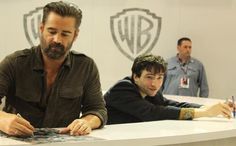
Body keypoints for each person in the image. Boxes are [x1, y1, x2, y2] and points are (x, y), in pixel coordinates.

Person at [0, 1, 107, 137]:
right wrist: (2, 119)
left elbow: (97, 109)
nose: (57, 39)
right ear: (41, 28)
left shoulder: (85, 66)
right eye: (52, 31)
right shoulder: (14, 63)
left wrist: (86, 122)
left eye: (65, 34)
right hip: (17, 140)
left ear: (75, 35)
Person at [104, 54, 232, 125]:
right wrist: (205, 113)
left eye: (160, 77)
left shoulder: (150, 89)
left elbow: (167, 104)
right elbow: (153, 112)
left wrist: (209, 107)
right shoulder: (122, 88)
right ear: (135, 77)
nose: (155, 83)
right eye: (149, 77)